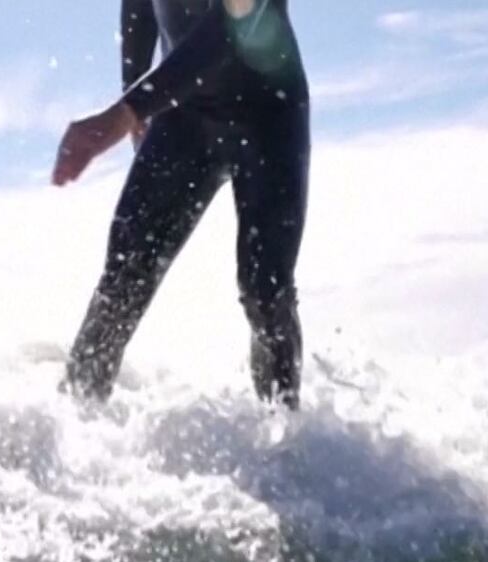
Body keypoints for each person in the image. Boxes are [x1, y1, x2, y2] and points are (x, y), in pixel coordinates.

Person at [52, 0, 310, 410]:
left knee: (265, 288)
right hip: (184, 115)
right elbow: (138, 8)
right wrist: (133, 92)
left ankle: (289, 444)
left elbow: (231, 27)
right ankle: (70, 434)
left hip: (268, 114)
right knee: (123, 279)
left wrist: (127, 112)